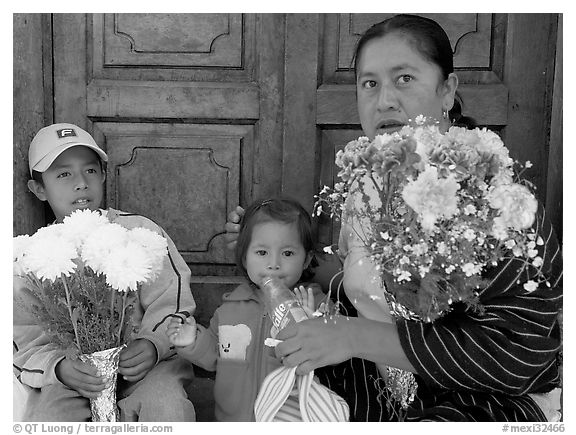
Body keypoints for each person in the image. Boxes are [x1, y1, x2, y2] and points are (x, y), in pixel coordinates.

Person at [224, 14, 563, 421]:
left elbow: (518, 352)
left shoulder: (499, 201)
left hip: (477, 400)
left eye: (404, 78)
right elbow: (358, 282)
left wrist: (354, 336)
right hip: (376, 386)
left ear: (448, 90)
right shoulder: (365, 187)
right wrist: (270, 251)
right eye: (370, 84)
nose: (384, 99)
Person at [13, 123, 197, 421]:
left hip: (148, 369)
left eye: (90, 170)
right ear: (38, 189)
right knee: (49, 418)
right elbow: (23, 341)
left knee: (167, 405)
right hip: (74, 382)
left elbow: (174, 303)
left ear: (104, 175)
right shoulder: (32, 258)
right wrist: (59, 368)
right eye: (63, 174)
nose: (80, 183)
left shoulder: (139, 232)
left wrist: (154, 344)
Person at [166, 197, 327, 421]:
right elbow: (214, 354)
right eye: (262, 253)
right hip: (233, 420)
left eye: (287, 253)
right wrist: (191, 341)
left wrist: (315, 324)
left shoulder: (314, 303)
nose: (274, 264)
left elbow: (333, 353)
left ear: (307, 259)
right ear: (244, 256)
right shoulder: (231, 308)